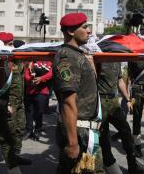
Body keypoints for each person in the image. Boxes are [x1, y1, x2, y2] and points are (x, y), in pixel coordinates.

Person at [53, 12, 104, 173]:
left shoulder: (78, 55)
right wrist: (73, 142)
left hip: (84, 131)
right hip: (78, 133)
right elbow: (68, 101)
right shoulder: (68, 57)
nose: (89, 31)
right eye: (84, 27)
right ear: (70, 31)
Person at [0, 32, 31, 173]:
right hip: (4, 103)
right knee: (5, 136)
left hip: (18, 102)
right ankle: (9, 163)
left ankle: (11, 155)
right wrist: (6, 104)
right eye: (9, 44)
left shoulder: (16, 58)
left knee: (17, 130)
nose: (12, 47)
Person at [98, 62, 144, 174]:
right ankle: (110, 164)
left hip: (114, 102)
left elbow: (119, 81)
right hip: (99, 102)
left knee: (126, 131)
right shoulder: (97, 58)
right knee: (103, 136)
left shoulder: (115, 60)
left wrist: (127, 99)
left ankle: (132, 164)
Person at [24, 60, 53, 140]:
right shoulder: (30, 62)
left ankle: (38, 128)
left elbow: (51, 73)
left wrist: (41, 78)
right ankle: (29, 130)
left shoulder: (49, 62)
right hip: (30, 90)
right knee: (29, 111)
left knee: (39, 111)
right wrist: (30, 80)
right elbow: (26, 74)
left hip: (42, 91)